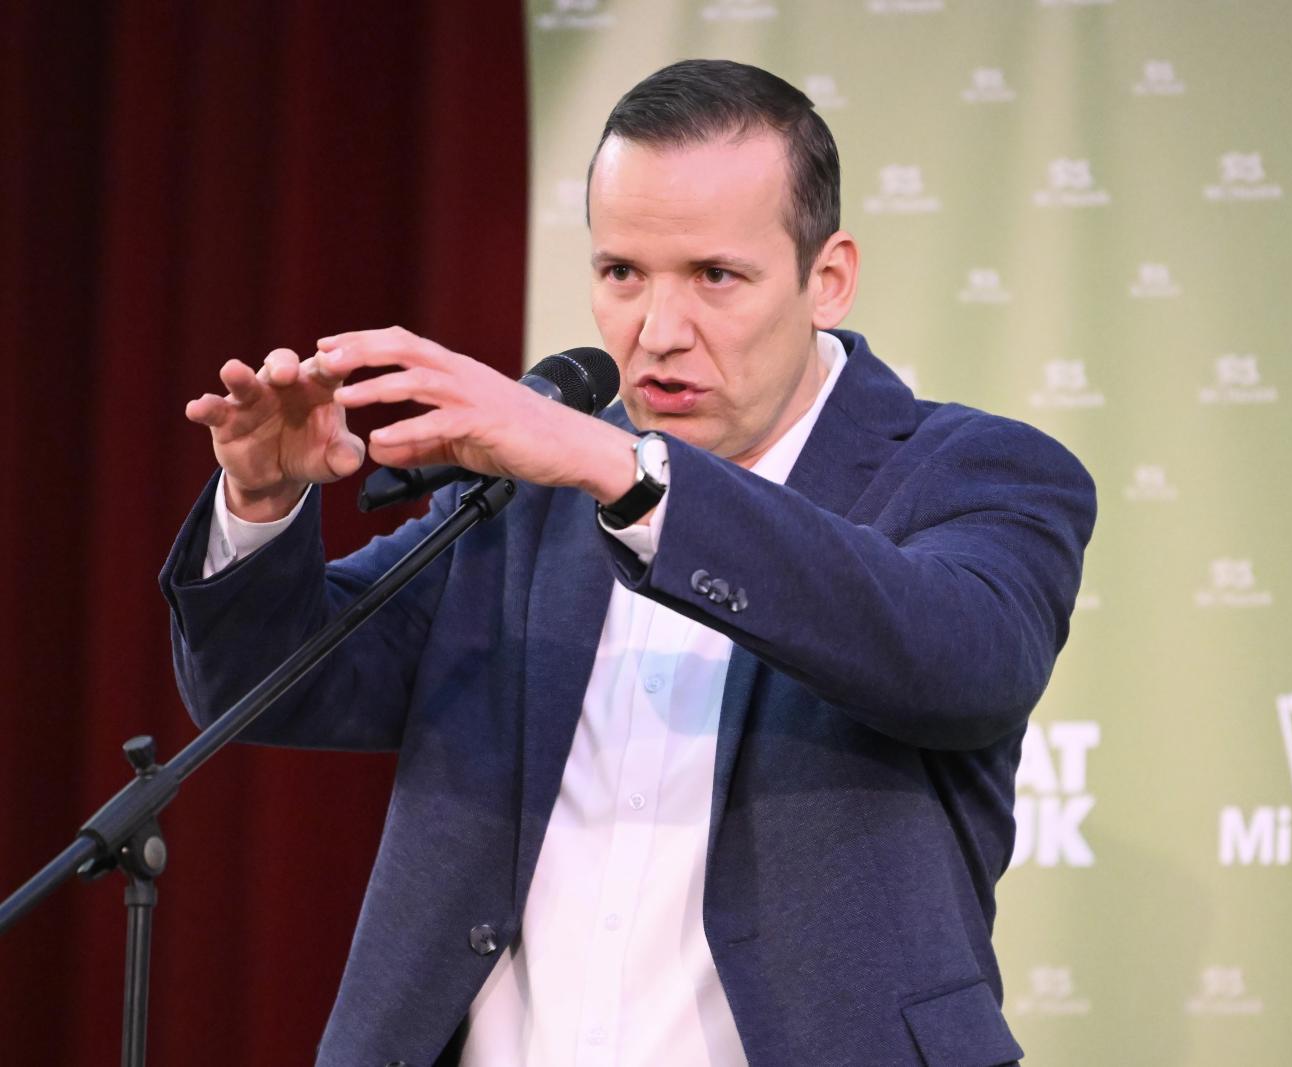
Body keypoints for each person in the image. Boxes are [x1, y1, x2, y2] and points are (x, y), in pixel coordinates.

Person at [162, 59, 1095, 1067]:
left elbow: (960, 660)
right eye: (622, 273)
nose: (657, 332)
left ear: (827, 278)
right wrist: (261, 502)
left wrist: (629, 473)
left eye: (715, 276)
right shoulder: (528, 497)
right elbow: (269, 683)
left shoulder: (978, 469)